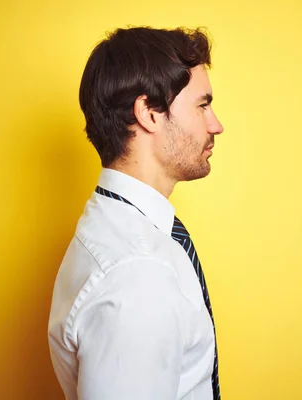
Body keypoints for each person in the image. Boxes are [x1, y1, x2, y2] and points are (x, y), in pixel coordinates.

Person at [48, 26, 224, 400]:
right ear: (148, 113)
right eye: (202, 105)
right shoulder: (137, 276)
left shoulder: (119, 227)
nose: (216, 125)